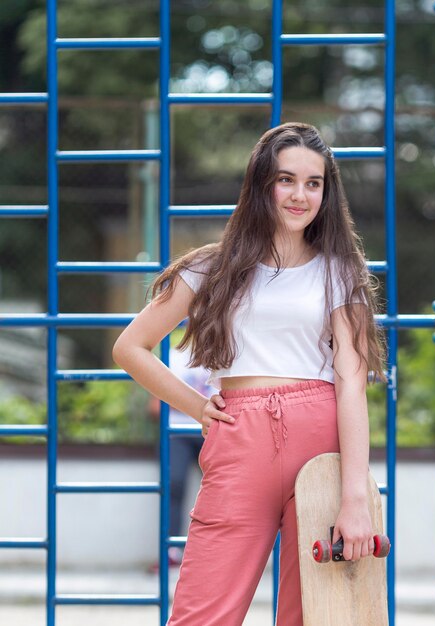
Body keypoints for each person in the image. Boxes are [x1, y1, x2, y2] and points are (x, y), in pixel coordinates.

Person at [112, 122, 386, 626]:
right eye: (286, 180)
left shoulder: (340, 271)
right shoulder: (210, 268)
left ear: (327, 192)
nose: (300, 195)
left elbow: (351, 381)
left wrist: (355, 498)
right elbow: (131, 347)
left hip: (321, 437)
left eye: (314, 183)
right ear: (261, 184)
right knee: (202, 613)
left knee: (315, 613)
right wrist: (196, 407)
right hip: (239, 436)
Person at [147, 340, 216, 569]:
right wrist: (196, 405)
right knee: (172, 486)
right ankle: (170, 551)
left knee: (225, 488)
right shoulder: (173, 356)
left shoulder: (224, 352)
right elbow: (156, 406)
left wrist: (179, 401)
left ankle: (216, 555)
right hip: (177, 432)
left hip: (214, 429)